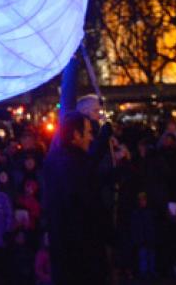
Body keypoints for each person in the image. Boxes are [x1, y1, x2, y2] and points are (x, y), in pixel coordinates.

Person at [43, 111, 109, 285]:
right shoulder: (74, 165)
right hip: (81, 253)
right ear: (75, 135)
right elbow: (86, 205)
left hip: (66, 251)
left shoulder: (59, 161)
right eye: (87, 132)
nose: (91, 138)